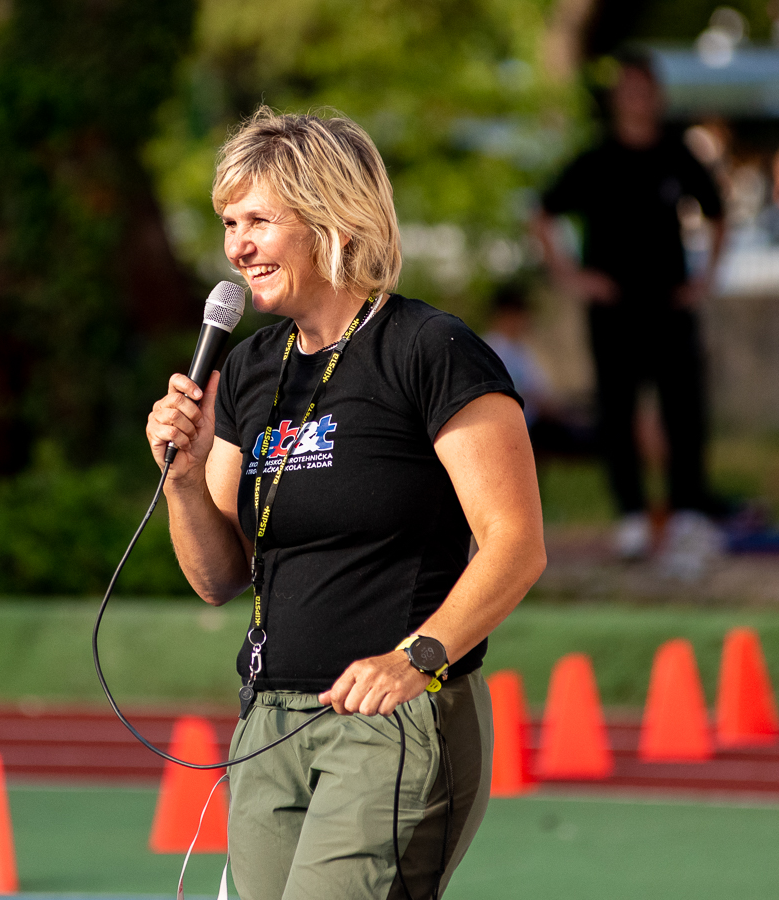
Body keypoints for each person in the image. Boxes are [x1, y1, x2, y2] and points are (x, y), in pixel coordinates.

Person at [146, 107, 546, 900]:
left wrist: (416, 659)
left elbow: (516, 543)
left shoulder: (430, 350)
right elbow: (216, 577)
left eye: (259, 221)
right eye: (229, 223)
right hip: (270, 723)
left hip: (391, 717)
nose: (237, 246)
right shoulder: (251, 368)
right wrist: (183, 481)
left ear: (331, 220)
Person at [531, 50, 727, 571]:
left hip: (669, 304)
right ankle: (633, 517)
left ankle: (687, 513)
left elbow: (719, 212)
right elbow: (542, 214)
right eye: (629, 90)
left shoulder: (677, 155)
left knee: (684, 409)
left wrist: (705, 279)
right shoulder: (596, 160)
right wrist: (573, 277)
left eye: (646, 89)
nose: (638, 100)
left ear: (657, 95)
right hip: (614, 310)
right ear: (616, 98)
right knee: (617, 411)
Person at [481, 282, 594, 459]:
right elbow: (529, 395)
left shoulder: (520, 350)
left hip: (532, 422)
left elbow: (541, 391)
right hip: (520, 426)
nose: (525, 321)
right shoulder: (492, 349)